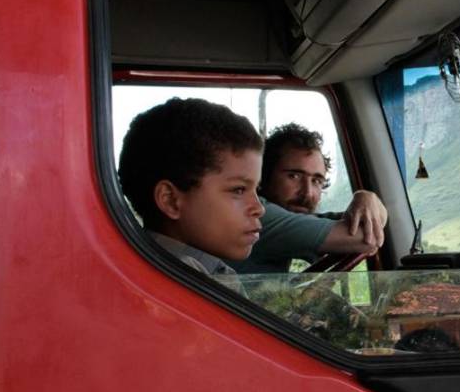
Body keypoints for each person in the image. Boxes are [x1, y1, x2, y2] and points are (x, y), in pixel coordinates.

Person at [117, 98, 266, 296]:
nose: (259, 208)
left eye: (256, 189)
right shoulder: (181, 283)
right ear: (170, 200)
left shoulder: (200, 271)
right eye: (238, 190)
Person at [233, 123, 387, 273]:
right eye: (294, 176)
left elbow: (371, 222)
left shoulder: (291, 218)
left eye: (316, 180)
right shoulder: (260, 216)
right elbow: (367, 237)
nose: (307, 193)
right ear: (264, 176)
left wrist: (367, 198)